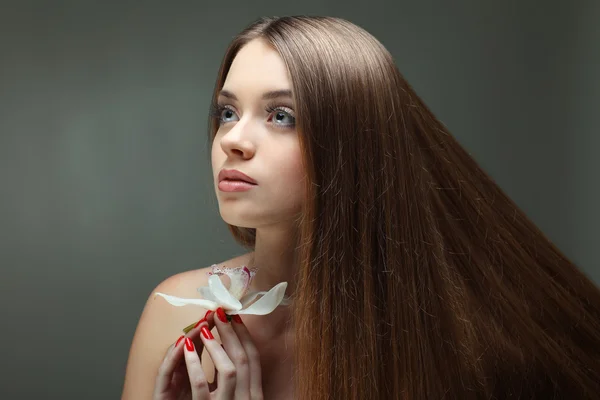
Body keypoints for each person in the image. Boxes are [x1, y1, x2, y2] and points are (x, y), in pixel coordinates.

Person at [122, 16, 600, 399]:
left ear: (353, 146)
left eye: (281, 116)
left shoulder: (452, 340)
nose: (234, 140)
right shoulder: (175, 313)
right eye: (228, 112)